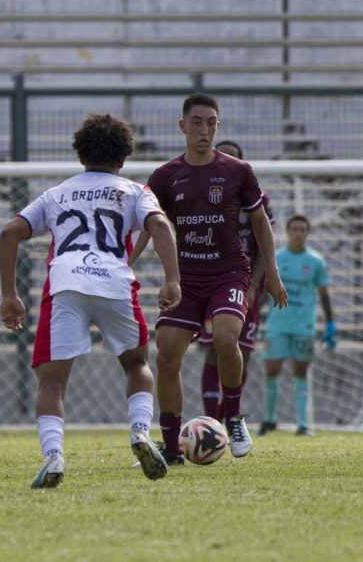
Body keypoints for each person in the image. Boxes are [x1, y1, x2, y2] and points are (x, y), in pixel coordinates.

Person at [0, 113, 181, 488]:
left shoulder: (56, 194)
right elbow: (160, 226)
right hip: (114, 281)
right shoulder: (135, 191)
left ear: (80, 156)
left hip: (65, 282)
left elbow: (9, 233)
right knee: (135, 363)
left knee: (51, 382)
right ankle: (140, 433)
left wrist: (9, 296)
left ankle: (53, 457)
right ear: (124, 158)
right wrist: (172, 279)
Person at [135, 93, 288, 465]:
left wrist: (272, 272)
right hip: (186, 277)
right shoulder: (165, 176)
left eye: (212, 123)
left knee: (224, 337)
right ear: (183, 126)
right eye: (198, 122)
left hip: (229, 273)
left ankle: (234, 418)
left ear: (217, 127)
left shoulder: (237, 171)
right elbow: (147, 223)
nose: (205, 130)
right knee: (168, 356)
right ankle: (171, 449)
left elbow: (259, 223)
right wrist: (126, 263)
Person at [195, 140, 275, 421]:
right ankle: (211, 423)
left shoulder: (257, 198)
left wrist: (254, 284)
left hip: (246, 285)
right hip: (210, 282)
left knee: (244, 352)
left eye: (233, 158)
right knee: (214, 350)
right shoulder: (203, 194)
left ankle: (227, 418)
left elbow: (266, 246)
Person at [259, 213, 336, 437]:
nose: (298, 233)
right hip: (277, 324)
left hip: (304, 326)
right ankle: (270, 419)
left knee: (300, 372)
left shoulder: (316, 261)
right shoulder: (277, 258)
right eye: (295, 229)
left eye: (303, 229)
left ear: (307, 233)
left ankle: (302, 424)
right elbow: (266, 290)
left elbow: (323, 294)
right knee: (271, 370)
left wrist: (331, 323)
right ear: (288, 231)